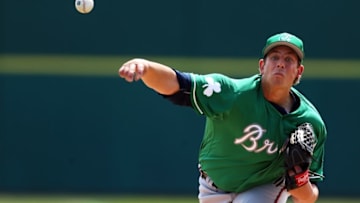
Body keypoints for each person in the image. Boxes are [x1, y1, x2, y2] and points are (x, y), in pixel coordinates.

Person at [118, 32, 327, 203]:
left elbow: (309, 197)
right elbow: (178, 84)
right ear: (262, 66)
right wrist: (145, 67)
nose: (280, 63)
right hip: (212, 187)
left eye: (288, 59)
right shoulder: (232, 94)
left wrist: (299, 180)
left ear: (299, 72)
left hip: (264, 186)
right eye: (275, 57)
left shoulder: (309, 122)